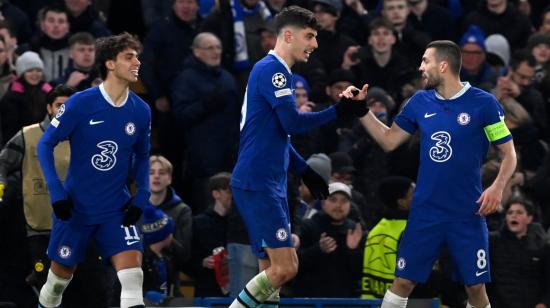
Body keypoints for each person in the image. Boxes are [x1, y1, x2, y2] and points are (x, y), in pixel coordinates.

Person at [347, 40, 517, 308]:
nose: (421, 67)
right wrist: (361, 110)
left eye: (425, 61)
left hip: (467, 212)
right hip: (426, 211)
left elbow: (509, 154)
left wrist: (496, 188)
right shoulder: (418, 102)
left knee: (474, 285)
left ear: (444, 65)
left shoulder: (483, 104)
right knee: (402, 281)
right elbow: (389, 140)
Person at [229, 6, 367, 307]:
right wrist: (338, 110)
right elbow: (292, 123)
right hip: (259, 183)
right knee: (286, 268)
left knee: (270, 272)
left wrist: (303, 169)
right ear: (288, 35)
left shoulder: (276, 71)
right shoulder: (273, 71)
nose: (314, 44)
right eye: (310, 36)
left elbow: (277, 134)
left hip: (267, 181)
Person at [36, 32, 151, 308]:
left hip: (116, 208)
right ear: (110, 64)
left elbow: (143, 156)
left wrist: (142, 195)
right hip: (77, 208)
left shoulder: (141, 110)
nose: (137, 62)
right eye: (129, 56)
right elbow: (44, 145)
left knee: (133, 277)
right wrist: (57, 193)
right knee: (58, 281)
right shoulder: (79, 103)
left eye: (137, 56)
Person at [292, 182, 363, 298]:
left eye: (344, 201)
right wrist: (318, 250)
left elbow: (359, 274)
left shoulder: (354, 230)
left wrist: (353, 250)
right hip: (310, 301)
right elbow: (294, 264)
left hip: (345, 303)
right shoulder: (308, 226)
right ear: (323, 202)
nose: (338, 205)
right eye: (333, 200)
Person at [487, 197, 550, 308]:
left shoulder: (541, 247)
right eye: (510, 212)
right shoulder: (493, 242)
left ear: (529, 218)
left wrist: (544, 303)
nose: (514, 215)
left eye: (519, 212)